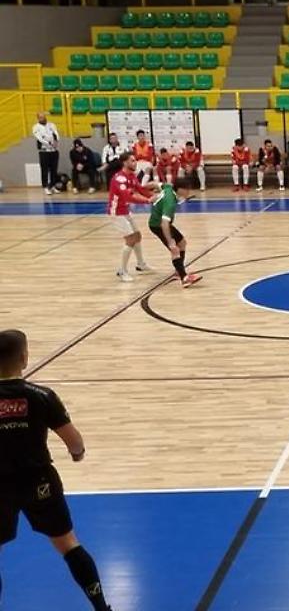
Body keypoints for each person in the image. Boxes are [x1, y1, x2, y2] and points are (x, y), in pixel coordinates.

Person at [0, 330, 115, 611]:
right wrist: (78, 454)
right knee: (68, 544)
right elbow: (74, 441)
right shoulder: (42, 396)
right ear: (24, 358)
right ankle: (101, 608)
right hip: (39, 481)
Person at [107, 154, 155, 283]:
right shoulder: (119, 179)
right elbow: (128, 196)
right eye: (132, 161)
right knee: (130, 239)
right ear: (125, 163)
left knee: (137, 235)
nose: (135, 163)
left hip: (125, 210)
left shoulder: (132, 176)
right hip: (116, 212)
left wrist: (157, 196)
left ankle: (141, 264)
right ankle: (122, 270)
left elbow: (140, 189)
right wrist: (147, 201)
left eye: (135, 161)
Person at [148, 178, 202, 288]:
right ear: (180, 189)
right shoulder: (170, 202)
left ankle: (178, 271)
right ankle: (184, 278)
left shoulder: (168, 187)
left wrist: (141, 189)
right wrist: (170, 242)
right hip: (158, 226)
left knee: (182, 243)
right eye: (187, 189)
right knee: (175, 249)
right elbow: (164, 224)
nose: (188, 191)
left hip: (163, 224)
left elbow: (153, 184)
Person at [32, 113, 61, 196]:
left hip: (54, 150)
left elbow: (56, 134)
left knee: (54, 169)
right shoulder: (35, 127)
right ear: (38, 118)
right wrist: (49, 143)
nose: (43, 118)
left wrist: (56, 141)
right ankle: (45, 187)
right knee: (44, 170)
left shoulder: (51, 125)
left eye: (44, 117)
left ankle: (52, 186)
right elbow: (40, 138)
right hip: (44, 151)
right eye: (41, 117)